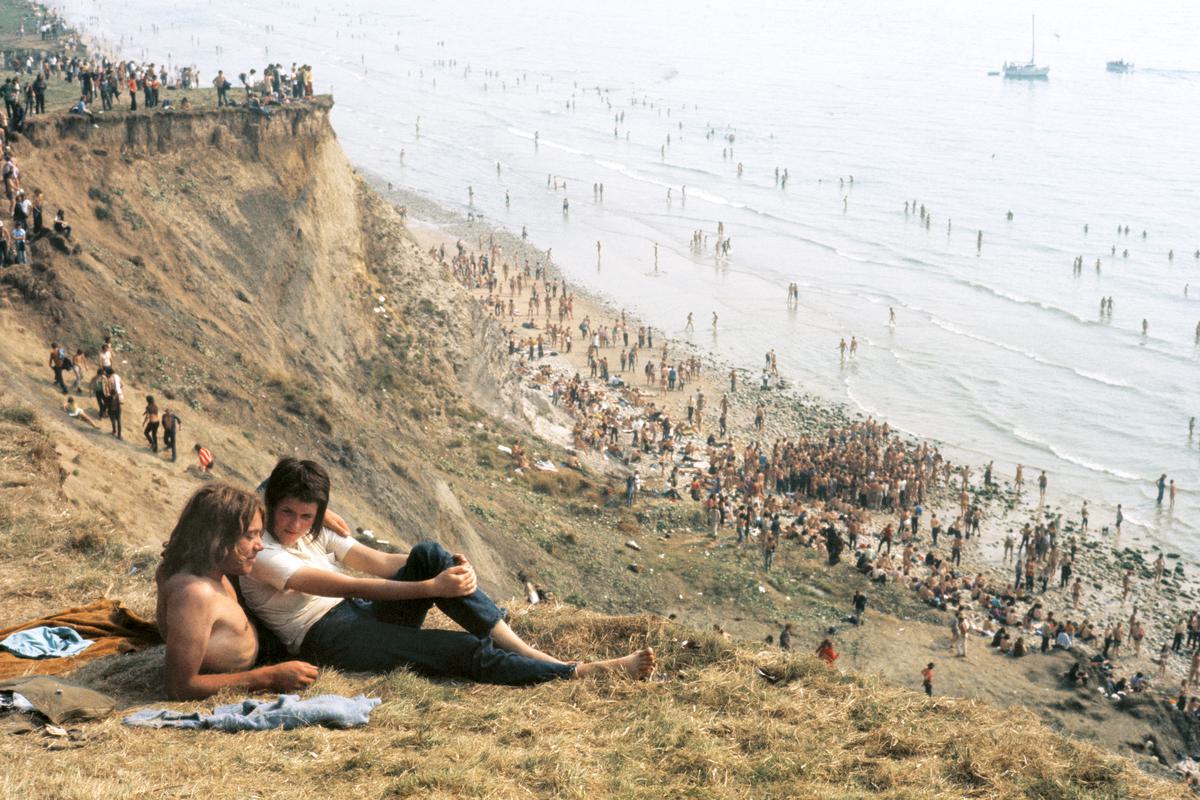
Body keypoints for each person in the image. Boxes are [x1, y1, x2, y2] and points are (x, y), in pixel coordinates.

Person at [240, 458, 655, 685]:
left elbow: (378, 562)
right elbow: (348, 582)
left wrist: (446, 573)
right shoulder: (261, 553)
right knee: (459, 651)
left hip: (356, 612)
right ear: (273, 505)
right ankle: (578, 672)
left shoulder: (313, 530)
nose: (294, 524)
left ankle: (523, 649)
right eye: (287, 513)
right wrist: (429, 587)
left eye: (306, 515)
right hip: (327, 639)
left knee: (429, 552)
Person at [155, 483, 320, 699]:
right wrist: (268, 677)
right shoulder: (195, 594)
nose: (260, 545)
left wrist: (324, 517)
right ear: (216, 536)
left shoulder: (209, 565)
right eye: (250, 536)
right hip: (254, 664)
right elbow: (180, 687)